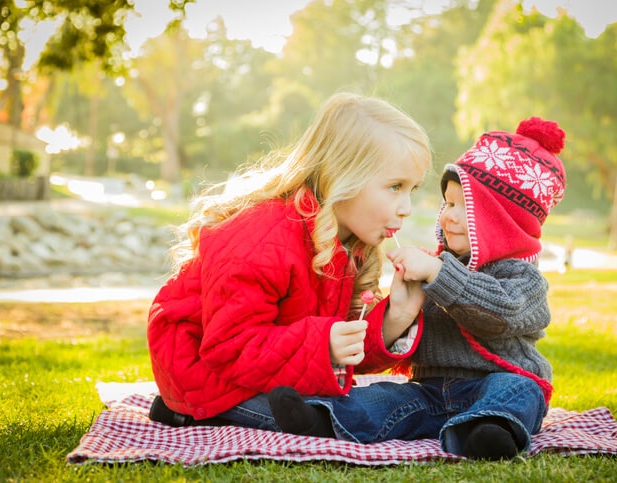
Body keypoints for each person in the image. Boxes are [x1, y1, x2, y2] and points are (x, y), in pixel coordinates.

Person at [267, 117, 567, 460]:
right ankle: (321, 417)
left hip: (498, 380)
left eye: (460, 207)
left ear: (502, 222)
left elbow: (501, 313)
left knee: (520, 392)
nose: (445, 217)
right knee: (387, 398)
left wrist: (439, 274)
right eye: (447, 204)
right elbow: (412, 339)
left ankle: (488, 433)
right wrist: (403, 311)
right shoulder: (434, 265)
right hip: (432, 390)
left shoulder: (522, 277)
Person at [147, 92, 432, 429]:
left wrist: (397, 316)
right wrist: (323, 343)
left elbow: (343, 355)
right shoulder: (262, 237)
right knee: (340, 412)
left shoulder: (347, 242)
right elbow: (228, 347)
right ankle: (186, 409)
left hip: (265, 367)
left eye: (412, 189)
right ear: (344, 177)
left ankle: (318, 416)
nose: (406, 207)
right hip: (205, 372)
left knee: (360, 402)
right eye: (395, 187)